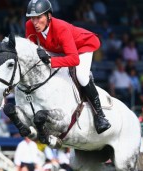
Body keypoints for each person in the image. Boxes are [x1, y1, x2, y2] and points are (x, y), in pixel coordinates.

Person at [25, 0, 110, 134]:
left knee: (81, 76)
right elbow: (31, 51)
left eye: (38, 18)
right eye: (32, 18)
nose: (35, 23)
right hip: (58, 48)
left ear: (48, 16)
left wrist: (51, 61)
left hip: (82, 47)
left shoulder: (61, 28)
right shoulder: (29, 25)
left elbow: (74, 59)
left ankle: (100, 116)